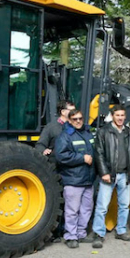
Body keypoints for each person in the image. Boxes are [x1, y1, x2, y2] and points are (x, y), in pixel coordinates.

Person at [87, 105, 130, 247]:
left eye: (123, 115)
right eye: (118, 115)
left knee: (124, 205)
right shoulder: (103, 131)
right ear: (112, 116)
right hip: (109, 175)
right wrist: (104, 172)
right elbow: (98, 153)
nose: (120, 118)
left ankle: (121, 231)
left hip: (125, 174)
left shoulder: (128, 132)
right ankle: (98, 233)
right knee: (102, 206)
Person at [53, 109, 96, 249]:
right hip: (73, 179)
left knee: (86, 209)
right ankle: (71, 236)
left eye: (80, 118)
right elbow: (61, 156)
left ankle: (80, 233)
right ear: (69, 121)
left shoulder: (88, 133)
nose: (78, 121)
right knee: (72, 210)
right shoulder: (65, 136)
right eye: (75, 119)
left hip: (88, 179)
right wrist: (81, 158)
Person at [36, 100, 75, 242]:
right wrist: (43, 150)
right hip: (54, 170)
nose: (74, 112)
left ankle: (67, 230)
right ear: (63, 112)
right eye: (71, 110)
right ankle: (55, 232)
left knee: (69, 201)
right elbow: (40, 144)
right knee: (56, 201)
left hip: (70, 169)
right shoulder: (52, 127)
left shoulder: (74, 127)